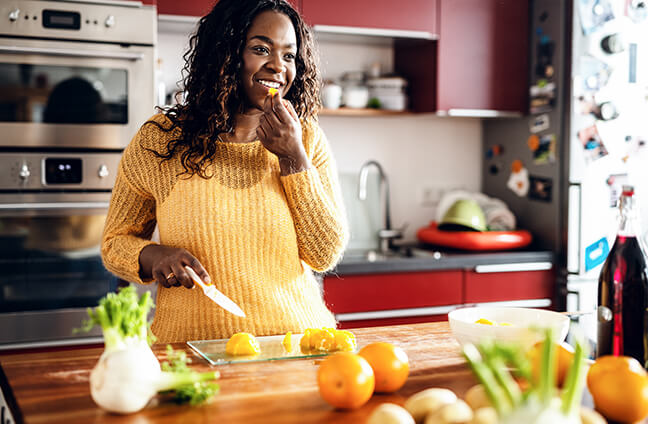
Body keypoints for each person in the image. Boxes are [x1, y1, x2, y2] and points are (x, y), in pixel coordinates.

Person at [101, 0, 348, 343]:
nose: (278, 66)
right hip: (190, 350)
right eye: (261, 49)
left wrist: (293, 159)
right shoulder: (160, 139)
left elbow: (324, 254)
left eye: (289, 55)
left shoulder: (305, 138)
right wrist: (152, 255)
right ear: (225, 53)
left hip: (295, 345)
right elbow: (114, 243)